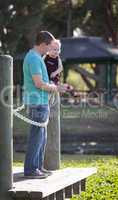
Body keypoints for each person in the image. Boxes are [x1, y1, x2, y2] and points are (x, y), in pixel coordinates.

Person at [23, 31, 61, 178]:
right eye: (49, 47)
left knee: (41, 136)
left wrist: (51, 84)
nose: (50, 50)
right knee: (36, 136)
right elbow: (38, 83)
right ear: (43, 44)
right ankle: (31, 170)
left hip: (41, 101)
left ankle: (37, 167)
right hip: (36, 102)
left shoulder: (37, 57)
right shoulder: (33, 58)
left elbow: (42, 81)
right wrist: (55, 88)